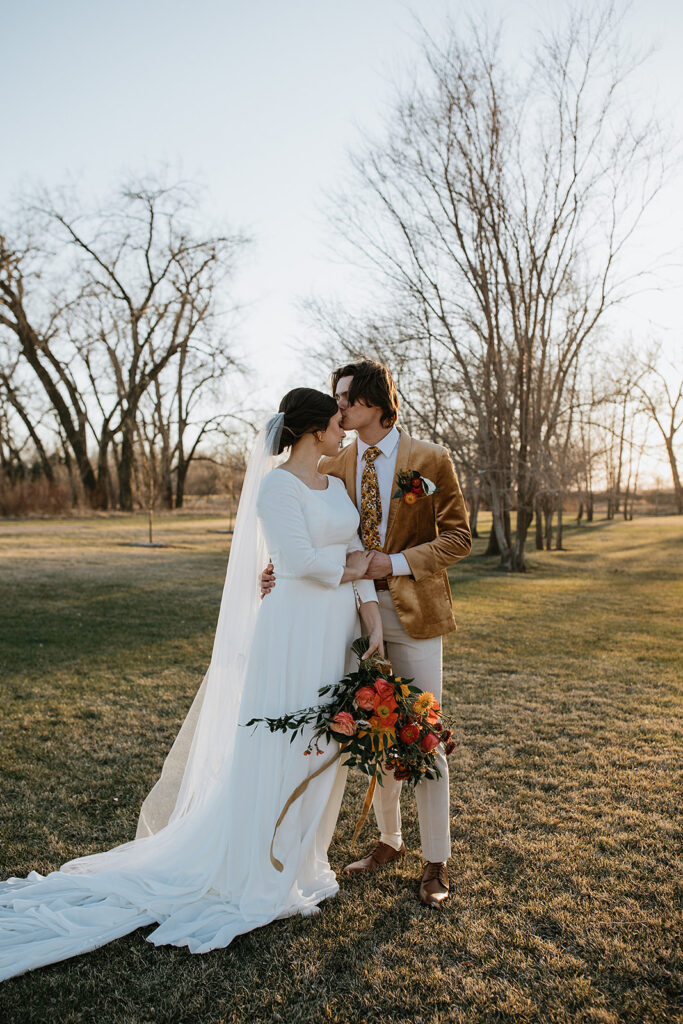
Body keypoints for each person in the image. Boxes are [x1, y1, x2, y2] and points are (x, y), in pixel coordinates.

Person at [0, 388, 382, 981]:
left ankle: (302, 860)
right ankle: (258, 869)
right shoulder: (276, 487)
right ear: (310, 430)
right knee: (280, 741)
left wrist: (370, 615)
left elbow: (352, 551)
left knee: (323, 743)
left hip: (334, 635)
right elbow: (303, 562)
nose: (345, 431)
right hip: (291, 634)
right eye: (337, 423)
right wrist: (356, 567)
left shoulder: (335, 487)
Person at [262, 360, 471, 908]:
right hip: (347, 618)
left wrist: (395, 564)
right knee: (372, 730)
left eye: (347, 398)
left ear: (376, 402)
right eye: (336, 401)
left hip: (415, 615)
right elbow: (317, 533)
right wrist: (278, 569)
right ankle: (389, 840)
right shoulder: (336, 465)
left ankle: (436, 861)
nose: (339, 408)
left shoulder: (430, 460)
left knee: (424, 732)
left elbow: (459, 537)